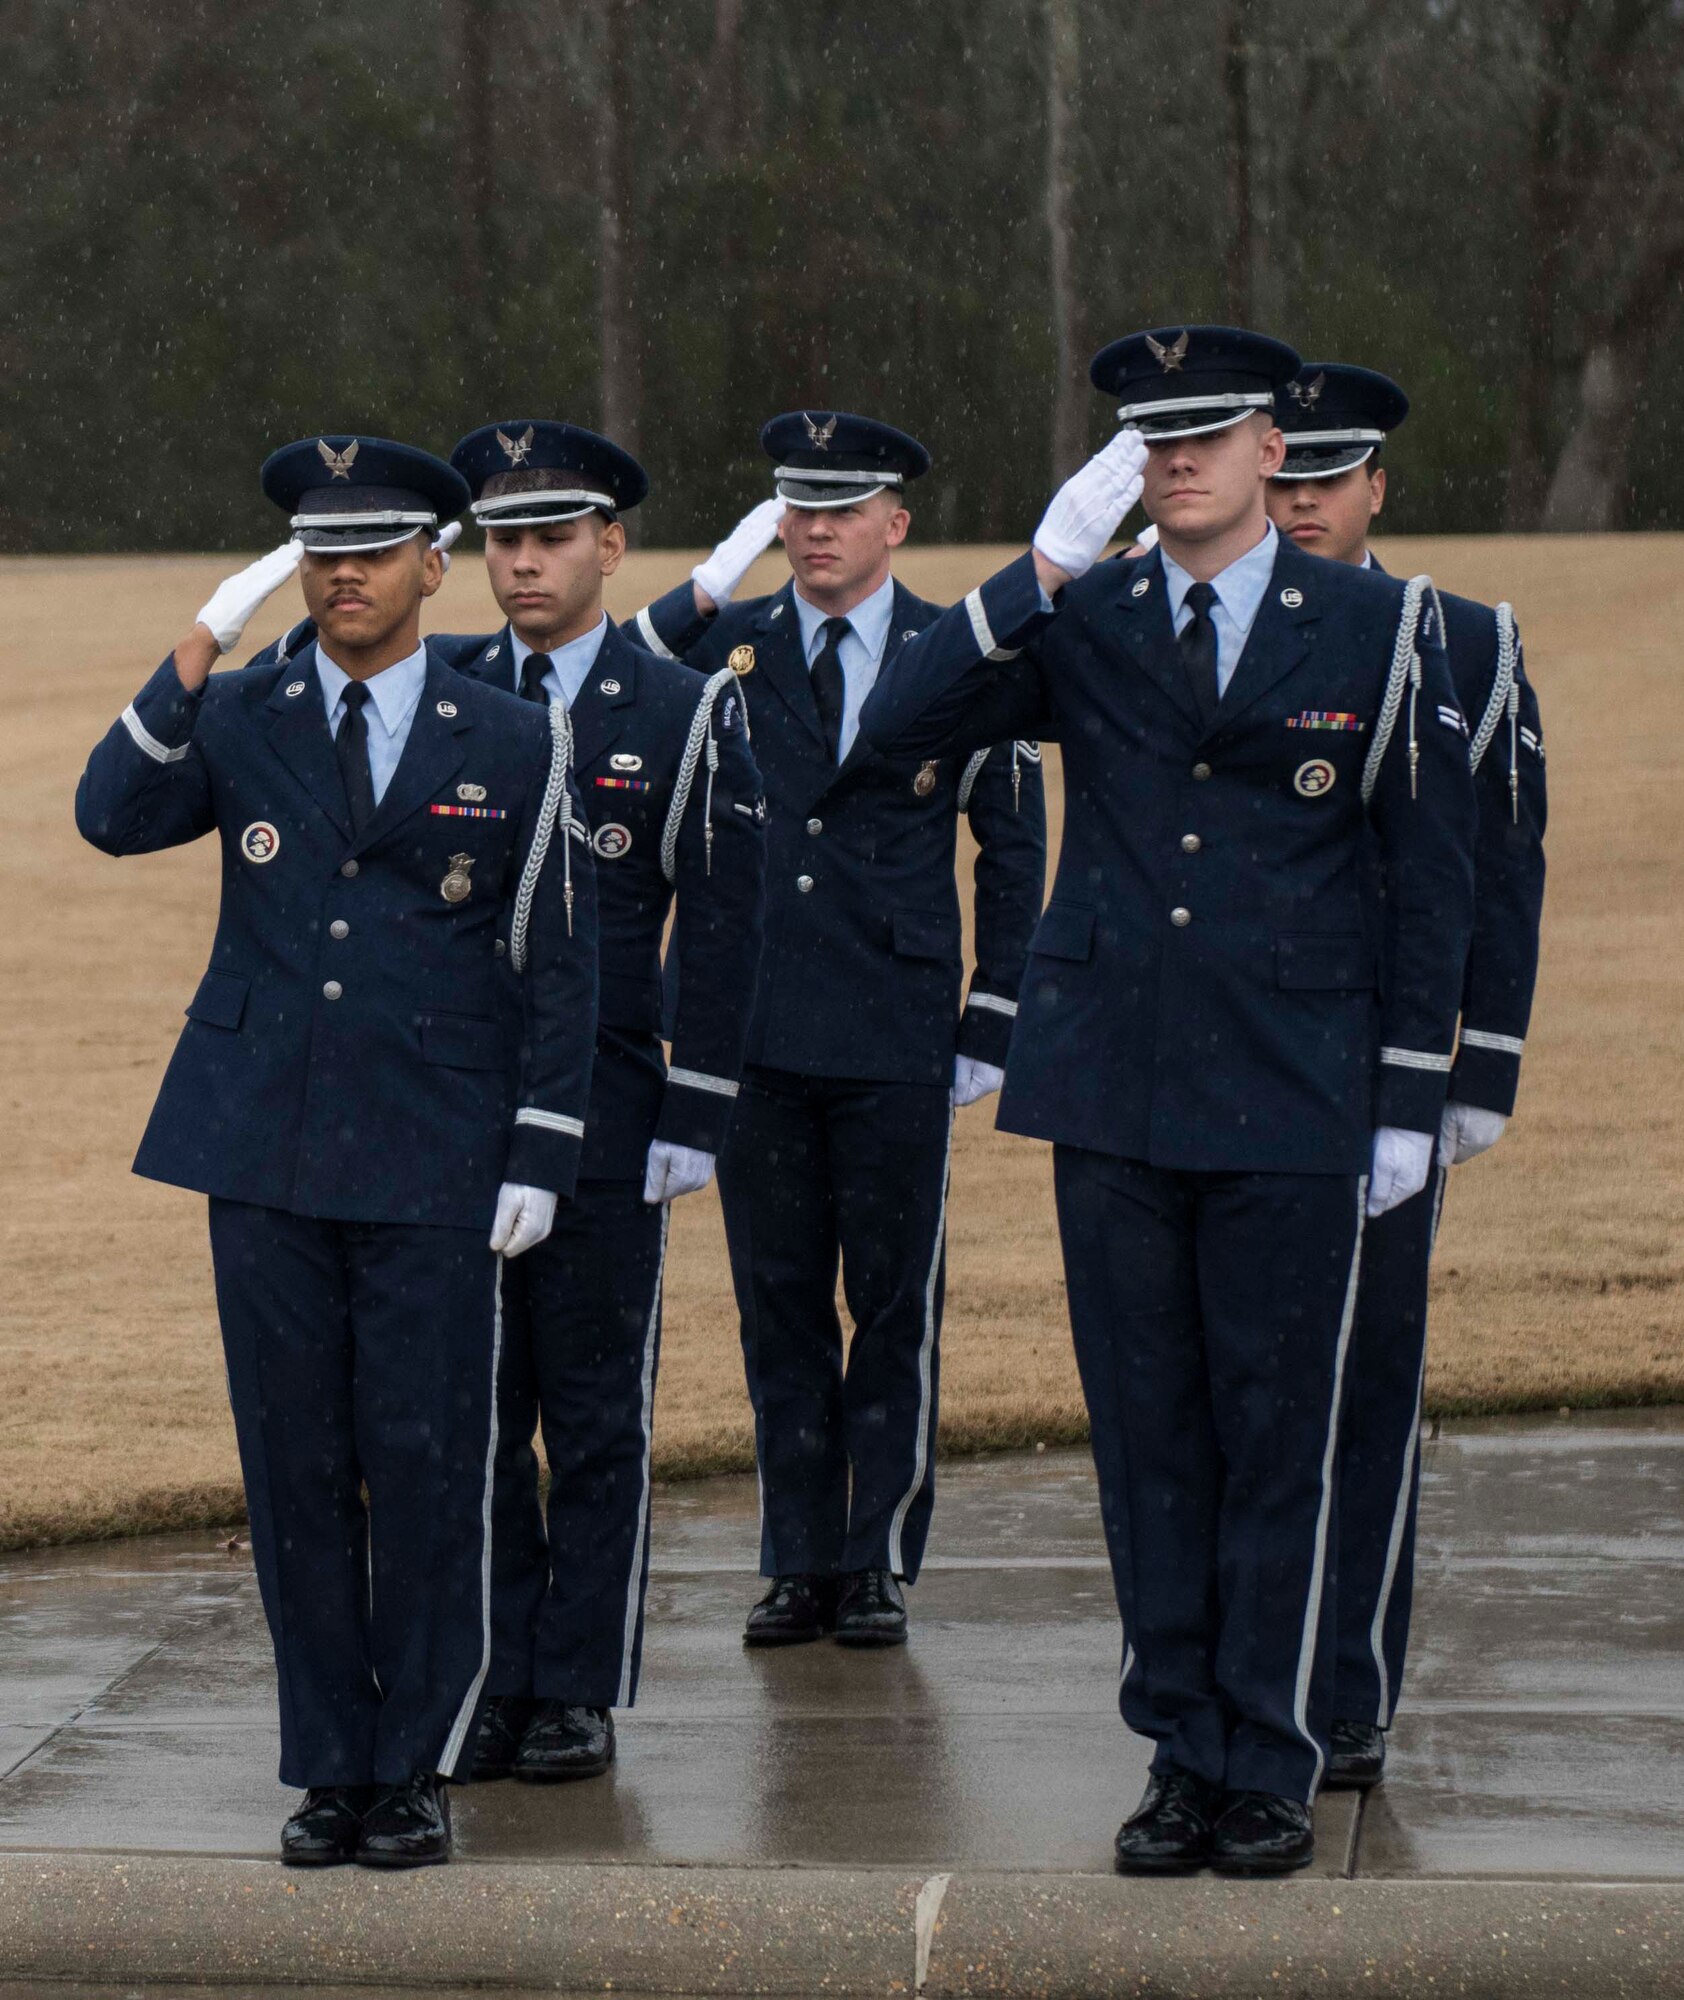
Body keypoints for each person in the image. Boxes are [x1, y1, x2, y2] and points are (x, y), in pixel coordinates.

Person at [855, 328, 1478, 1875]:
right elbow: (889, 733)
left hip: (1295, 1086)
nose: (1177, 459)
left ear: (1276, 449)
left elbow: (1431, 873)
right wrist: (1036, 570)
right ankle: (1180, 1748)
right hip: (1116, 1084)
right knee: (1150, 1439)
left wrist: (1411, 1097)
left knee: (1280, 1437)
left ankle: (1268, 1756)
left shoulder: (1378, 627)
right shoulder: (1093, 616)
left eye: (1208, 433)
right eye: (1153, 439)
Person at [74, 436, 598, 1869]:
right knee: (294, 1469)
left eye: (370, 551)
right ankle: (327, 1765)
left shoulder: (509, 734)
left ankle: (413, 1765)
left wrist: (542, 1152)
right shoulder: (245, 712)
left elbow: (558, 960)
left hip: (436, 1151)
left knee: (426, 1470)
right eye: (319, 552)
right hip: (267, 1146)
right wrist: (197, 646)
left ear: (435, 566)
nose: (342, 574)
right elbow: (108, 815)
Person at [634, 412, 1047, 1648]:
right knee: (778, 1305)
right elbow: (598, 685)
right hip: (755, 1027)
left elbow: (1012, 845)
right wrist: (699, 592)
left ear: (894, 523)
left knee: (892, 1299)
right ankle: (797, 1555)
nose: (814, 530)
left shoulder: (955, 649)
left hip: (893, 1024)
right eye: (795, 508)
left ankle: (878, 1557)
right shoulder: (732, 651)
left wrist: (993, 1009)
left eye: (840, 508)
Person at [429, 420, 766, 1784]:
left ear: (612, 543)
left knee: (593, 1408)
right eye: (502, 538)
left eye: (551, 536)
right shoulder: (440, 689)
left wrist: (696, 1110)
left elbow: (726, 929)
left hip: (617, 1106)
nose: (522, 562)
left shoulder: (681, 709)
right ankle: (497, 1671)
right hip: (458, 1104)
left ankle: (576, 1681)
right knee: (471, 1407)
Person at [1267, 363, 1547, 1787]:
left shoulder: (1468, 643)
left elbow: (1504, 866)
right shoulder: (1213, 634)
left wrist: (1473, 1070)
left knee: (1370, 1389)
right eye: (1282, 473)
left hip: (1379, 1083)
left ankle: (1349, 1686)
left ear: (1376, 486)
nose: (1301, 499)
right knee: (1222, 1400)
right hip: (1232, 1070)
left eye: (1328, 475)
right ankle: (1226, 1696)